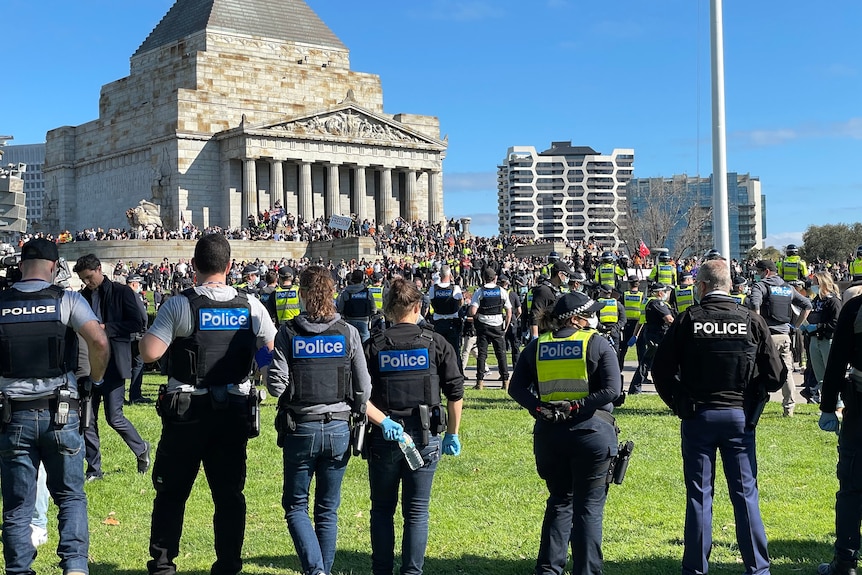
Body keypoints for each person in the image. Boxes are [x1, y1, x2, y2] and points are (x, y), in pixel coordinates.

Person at [139, 233, 277, 575]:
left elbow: (150, 353)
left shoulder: (179, 304)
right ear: (229, 267)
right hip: (232, 410)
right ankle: (228, 565)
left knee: (171, 494)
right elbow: (270, 351)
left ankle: (163, 565)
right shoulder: (251, 305)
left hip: (187, 412)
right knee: (229, 495)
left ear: (193, 265)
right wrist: (251, 356)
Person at [652, 259, 786, 575]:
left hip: (698, 417)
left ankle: (695, 569)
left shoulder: (687, 320)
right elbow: (775, 375)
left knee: (700, 497)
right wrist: (754, 391)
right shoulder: (751, 320)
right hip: (739, 417)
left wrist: (678, 403)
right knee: (745, 495)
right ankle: (758, 569)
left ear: (701, 287)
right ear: (730, 286)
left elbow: (661, 370)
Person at [0, 238, 110, 575]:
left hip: (12, 414)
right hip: (60, 413)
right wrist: (95, 378)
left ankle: (19, 570)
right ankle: (75, 566)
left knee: (18, 506)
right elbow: (99, 341)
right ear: (53, 267)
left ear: (21, 266)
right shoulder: (66, 300)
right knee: (70, 496)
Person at [267, 265, 372, 575]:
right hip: (340, 427)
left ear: (302, 295)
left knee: (296, 506)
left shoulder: (287, 334)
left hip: (301, 426)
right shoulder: (348, 333)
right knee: (328, 510)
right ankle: (321, 570)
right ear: (333, 294)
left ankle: (317, 572)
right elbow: (364, 388)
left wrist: (266, 360)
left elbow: (276, 386)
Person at [508, 291, 622, 575]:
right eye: (589, 314)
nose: (593, 318)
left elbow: (516, 388)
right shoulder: (596, 343)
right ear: (576, 319)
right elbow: (612, 390)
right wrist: (576, 406)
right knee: (589, 509)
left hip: (550, 435)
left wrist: (540, 408)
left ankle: (548, 570)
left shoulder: (537, 346)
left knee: (560, 501)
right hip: (591, 433)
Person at [362, 277, 464, 575]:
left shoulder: (374, 346)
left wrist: (383, 421)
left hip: (384, 436)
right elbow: (455, 393)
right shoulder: (436, 343)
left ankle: (381, 570)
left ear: (388, 309)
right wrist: (453, 434)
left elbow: (358, 396)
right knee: (416, 513)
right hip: (424, 436)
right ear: (418, 306)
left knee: (382, 509)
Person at [73, 253, 150, 480]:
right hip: (87, 363)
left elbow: (138, 322)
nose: (87, 282)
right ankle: (94, 469)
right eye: (83, 279)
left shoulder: (122, 292)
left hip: (114, 363)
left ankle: (141, 448)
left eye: (89, 277)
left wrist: (106, 328)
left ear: (98, 269)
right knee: (88, 419)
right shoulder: (81, 297)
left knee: (114, 417)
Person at [818, 286, 862, 575]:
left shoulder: (856, 307)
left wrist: (827, 406)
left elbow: (837, 359)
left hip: (860, 402)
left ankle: (845, 561)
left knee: (852, 484)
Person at [748, 259, 812, 417]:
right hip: (784, 336)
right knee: (787, 371)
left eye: (758, 272)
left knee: (757, 370)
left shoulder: (760, 286)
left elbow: (755, 306)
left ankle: (756, 405)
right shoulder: (788, 288)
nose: (757, 275)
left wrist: (758, 330)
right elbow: (807, 305)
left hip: (766, 337)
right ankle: (789, 409)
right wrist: (796, 326)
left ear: (766, 272)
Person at [801, 271, 843, 405]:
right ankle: (826, 404)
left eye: (815, 283)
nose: (813, 286)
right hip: (814, 340)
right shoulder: (816, 300)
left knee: (831, 374)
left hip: (827, 340)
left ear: (823, 283)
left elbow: (836, 322)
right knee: (820, 376)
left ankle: (838, 403)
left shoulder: (834, 301)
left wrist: (818, 326)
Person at [469, 267, 513, 390]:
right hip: (498, 325)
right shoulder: (502, 291)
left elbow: (472, 311)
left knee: (482, 355)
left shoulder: (480, 291)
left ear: (483, 278)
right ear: (495, 278)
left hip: (483, 325)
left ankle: (480, 382)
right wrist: (505, 327)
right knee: (501, 354)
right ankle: (505, 382)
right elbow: (509, 312)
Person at [628, 283, 674, 395]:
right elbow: (669, 320)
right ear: (660, 292)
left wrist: (635, 335)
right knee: (660, 361)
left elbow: (640, 320)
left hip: (650, 334)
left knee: (647, 362)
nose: (667, 294)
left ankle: (635, 388)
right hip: (658, 336)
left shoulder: (646, 302)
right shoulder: (658, 303)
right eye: (665, 291)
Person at [126, 274, 153, 404]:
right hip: (136, 335)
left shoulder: (121, 295)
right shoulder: (134, 296)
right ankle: (135, 395)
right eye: (139, 283)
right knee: (138, 364)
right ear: (133, 283)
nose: (140, 286)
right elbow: (144, 317)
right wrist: (144, 330)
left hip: (125, 334)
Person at [428, 264, 463, 359]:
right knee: (455, 351)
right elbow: (461, 303)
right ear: (450, 275)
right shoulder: (455, 288)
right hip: (452, 322)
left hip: (438, 322)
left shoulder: (432, 289)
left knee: (439, 350)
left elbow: (432, 303)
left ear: (440, 275)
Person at [529, 260, 572, 339]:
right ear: (560, 274)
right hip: (544, 334)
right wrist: (535, 336)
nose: (567, 278)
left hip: (554, 332)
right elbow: (535, 314)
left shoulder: (556, 289)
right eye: (567, 275)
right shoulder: (543, 290)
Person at [336, 269, 377, 343]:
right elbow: (373, 308)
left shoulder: (346, 292)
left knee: (351, 343)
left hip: (349, 321)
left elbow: (340, 309)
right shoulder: (368, 292)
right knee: (365, 345)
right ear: (362, 278)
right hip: (364, 321)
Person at [596, 284, 627, 371]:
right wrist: (615, 328)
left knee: (599, 354)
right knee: (615, 354)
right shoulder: (617, 304)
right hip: (614, 332)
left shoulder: (596, 303)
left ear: (601, 291)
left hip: (600, 332)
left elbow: (593, 318)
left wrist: (602, 327)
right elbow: (623, 320)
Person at [499, 274, 523, 369]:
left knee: (502, 348)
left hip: (500, 320)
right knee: (515, 347)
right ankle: (516, 368)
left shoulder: (498, 293)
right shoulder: (513, 294)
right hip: (512, 320)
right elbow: (519, 311)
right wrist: (515, 318)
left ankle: (503, 371)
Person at [621, 276, 644, 369]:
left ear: (629, 284)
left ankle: (619, 368)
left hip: (627, 324)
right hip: (639, 325)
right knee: (641, 349)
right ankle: (642, 372)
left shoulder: (625, 295)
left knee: (623, 348)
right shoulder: (642, 296)